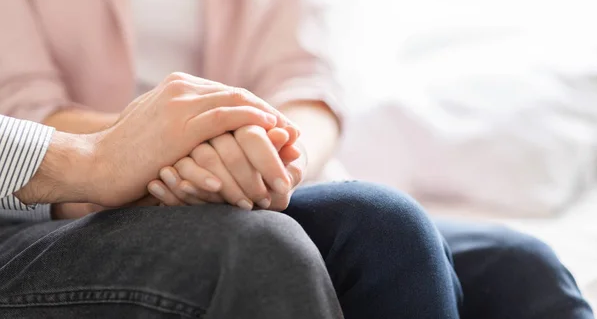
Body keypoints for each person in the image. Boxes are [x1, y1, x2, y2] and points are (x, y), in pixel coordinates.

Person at [0, 0, 593, 318]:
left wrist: (264, 156)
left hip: (254, 179)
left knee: (523, 265)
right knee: (387, 227)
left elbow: (307, 88)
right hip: (81, 195)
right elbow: (23, 109)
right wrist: (162, 147)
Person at [0, 82, 344, 319]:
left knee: (374, 221)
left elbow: (306, 83)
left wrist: (271, 155)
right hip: (26, 205)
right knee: (259, 248)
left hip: (234, 171)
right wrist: (101, 157)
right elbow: (20, 99)